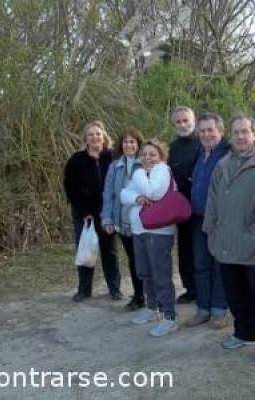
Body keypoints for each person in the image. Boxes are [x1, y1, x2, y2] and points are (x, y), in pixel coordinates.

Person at [203, 115, 255, 361]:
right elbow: (212, 201)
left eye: (245, 132)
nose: (240, 137)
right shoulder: (223, 164)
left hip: (254, 245)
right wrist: (212, 232)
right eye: (236, 132)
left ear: (254, 134)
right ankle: (244, 333)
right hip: (225, 243)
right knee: (234, 292)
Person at [120, 139, 178, 337]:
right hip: (139, 230)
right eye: (144, 154)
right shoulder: (142, 174)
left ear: (160, 156)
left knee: (160, 273)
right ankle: (152, 307)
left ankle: (169, 316)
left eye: (152, 154)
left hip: (159, 231)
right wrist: (136, 197)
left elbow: (154, 191)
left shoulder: (162, 170)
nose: (147, 158)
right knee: (145, 271)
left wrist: (137, 177)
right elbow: (123, 193)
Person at [63, 120, 121, 302]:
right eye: (91, 134)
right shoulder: (76, 160)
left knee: (109, 251)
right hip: (85, 214)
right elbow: (70, 188)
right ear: (86, 139)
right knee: (86, 250)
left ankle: (114, 288)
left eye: (98, 133)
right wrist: (83, 211)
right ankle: (84, 289)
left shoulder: (112, 157)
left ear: (104, 136)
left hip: (107, 213)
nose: (95, 137)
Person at [185, 112, 231, 329]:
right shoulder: (199, 154)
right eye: (202, 131)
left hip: (221, 219)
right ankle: (202, 309)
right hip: (198, 218)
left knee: (219, 265)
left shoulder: (229, 154)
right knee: (200, 264)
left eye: (210, 130)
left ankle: (219, 310)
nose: (206, 134)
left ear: (220, 131)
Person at [101, 128, 145, 311]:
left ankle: (154, 295)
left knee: (146, 259)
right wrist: (107, 219)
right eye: (126, 142)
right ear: (121, 145)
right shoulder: (115, 167)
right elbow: (109, 194)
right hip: (123, 222)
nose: (129, 145)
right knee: (133, 259)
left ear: (138, 144)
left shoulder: (146, 164)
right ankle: (139, 295)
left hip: (143, 221)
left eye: (132, 141)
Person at [168, 106, 200, 304]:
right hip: (180, 208)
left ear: (193, 121)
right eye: (178, 122)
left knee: (202, 250)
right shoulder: (171, 147)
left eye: (185, 121)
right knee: (185, 250)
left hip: (200, 206)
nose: (182, 125)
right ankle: (190, 288)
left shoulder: (202, 143)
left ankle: (206, 288)